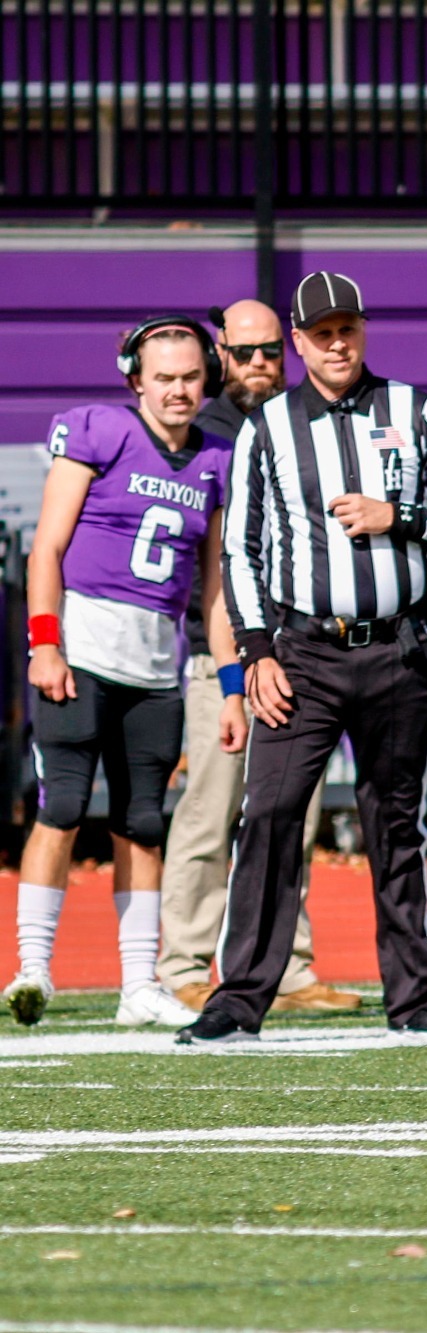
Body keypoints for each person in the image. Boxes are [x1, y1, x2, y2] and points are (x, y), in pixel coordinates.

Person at [177, 272, 427, 1046]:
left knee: (394, 825)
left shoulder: (414, 409)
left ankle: (414, 1000)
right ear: (298, 341)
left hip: (396, 649)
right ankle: (240, 998)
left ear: (363, 329)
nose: (336, 341)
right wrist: (255, 652)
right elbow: (241, 551)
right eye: (320, 332)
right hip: (305, 653)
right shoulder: (269, 427)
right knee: (271, 816)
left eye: (347, 326)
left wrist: (399, 517)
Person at [3, 317, 241, 1028]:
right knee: (64, 805)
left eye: (190, 377)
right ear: (135, 377)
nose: (177, 390)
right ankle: (32, 968)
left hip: (155, 665)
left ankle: (139, 984)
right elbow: (46, 548)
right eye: (163, 377)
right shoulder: (97, 432)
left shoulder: (216, 460)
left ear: (208, 379)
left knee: (142, 821)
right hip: (82, 649)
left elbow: (217, 591)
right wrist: (44, 643)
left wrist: (230, 684)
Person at [155, 299, 358, 1016]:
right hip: (230, 656)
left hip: (300, 650)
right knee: (211, 814)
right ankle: (183, 963)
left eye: (271, 349)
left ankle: (289, 967)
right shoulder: (209, 433)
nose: (259, 364)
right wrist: (237, 664)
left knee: (288, 820)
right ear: (221, 355)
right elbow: (212, 566)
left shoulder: (309, 420)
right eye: (244, 352)